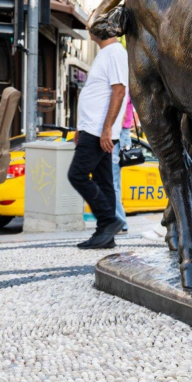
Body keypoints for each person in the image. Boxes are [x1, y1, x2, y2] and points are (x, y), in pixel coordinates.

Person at [68, 26, 128, 249]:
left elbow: (119, 91)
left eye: (91, 26)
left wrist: (106, 129)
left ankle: (108, 220)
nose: (87, 29)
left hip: (98, 131)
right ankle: (106, 236)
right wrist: (81, 128)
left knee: (77, 175)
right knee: (104, 181)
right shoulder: (106, 53)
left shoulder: (115, 52)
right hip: (92, 128)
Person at [111, 94, 137, 234]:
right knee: (112, 181)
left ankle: (120, 222)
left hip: (119, 135)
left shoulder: (123, 87)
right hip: (122, 135)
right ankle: (115, 220)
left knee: (113, 182)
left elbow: (121, 112)